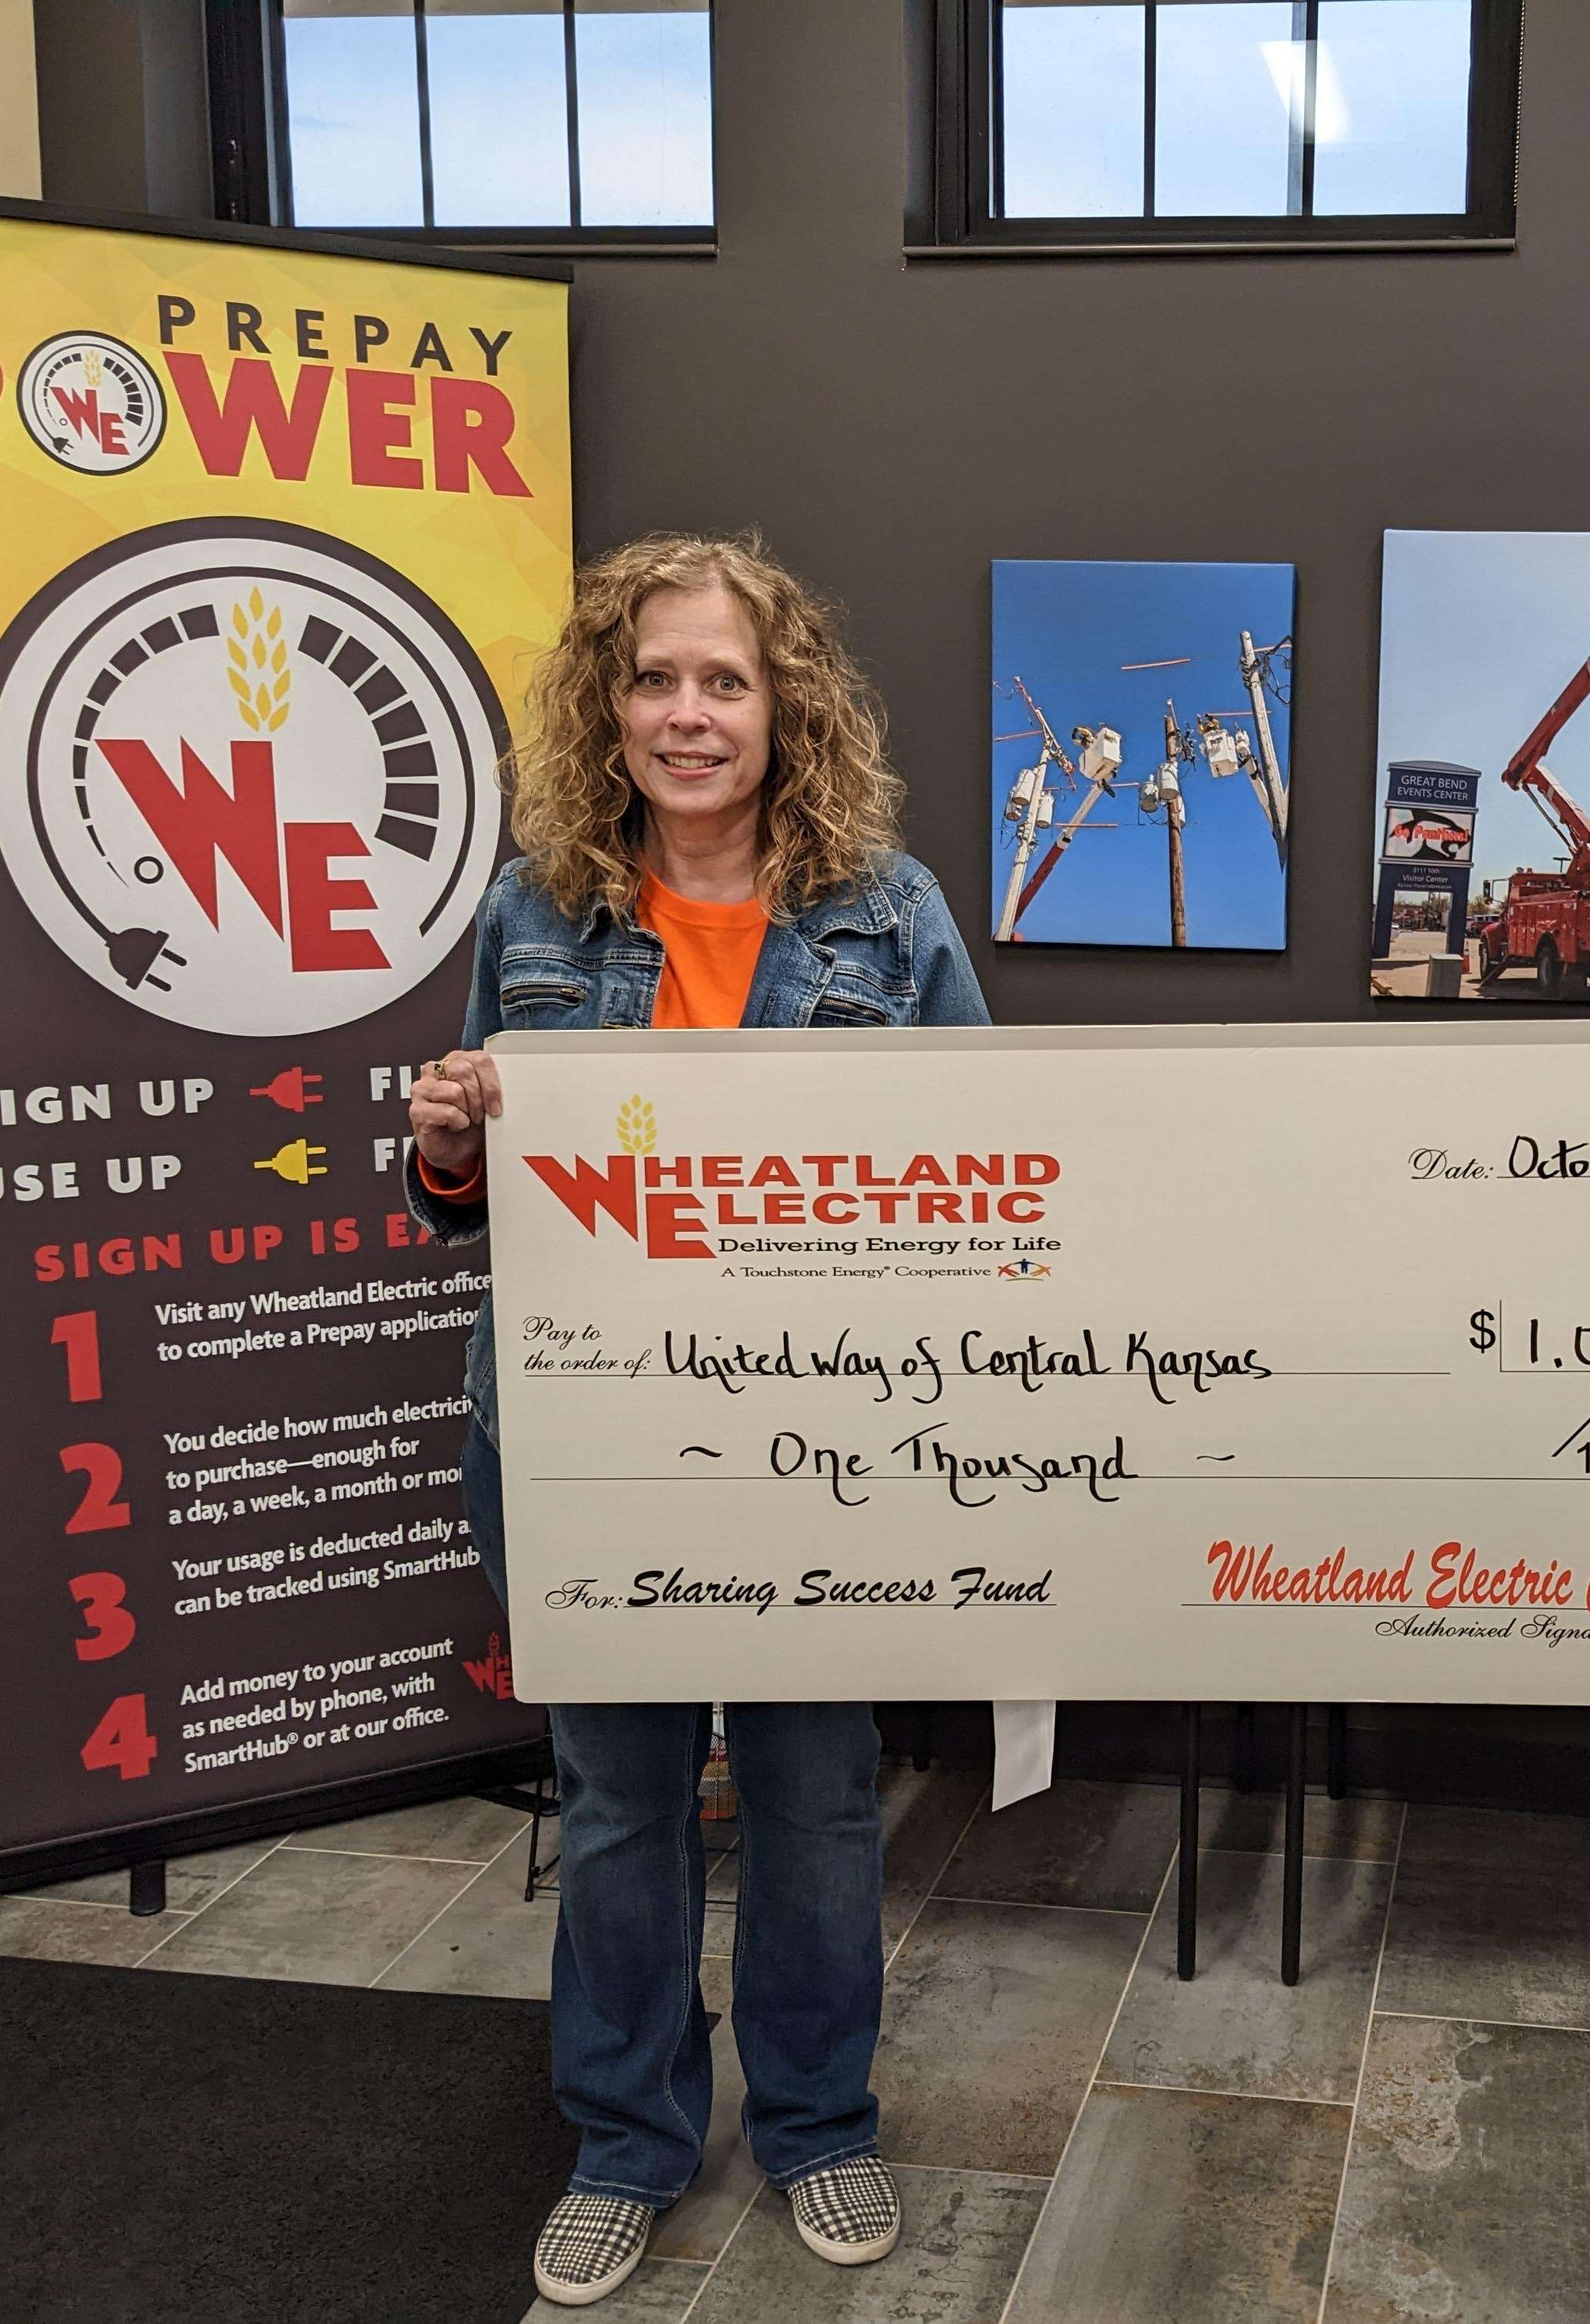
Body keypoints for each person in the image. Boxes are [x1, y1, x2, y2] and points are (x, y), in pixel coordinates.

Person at [405, 531, 989, 2309]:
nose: (687, 712)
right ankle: (628, 2145)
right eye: (653, 679)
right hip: (594, 1442)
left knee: (815, 1804)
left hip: (824, 1446)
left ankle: (817, 2126)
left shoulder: (893, 912)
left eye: (723, 679)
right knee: (620, 1806)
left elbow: (993, 1166)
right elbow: (463, 1188)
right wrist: (444, 1142)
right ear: (609, 706)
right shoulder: (530, 911)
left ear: (782, 703)